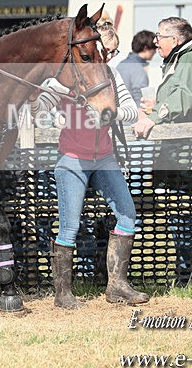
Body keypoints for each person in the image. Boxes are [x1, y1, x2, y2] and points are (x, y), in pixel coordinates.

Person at [34, 27, 149, 308]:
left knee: (127, 215)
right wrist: (48, 110)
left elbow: (132, 111)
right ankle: (63, 294)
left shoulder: (112, 75)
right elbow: (37, 110)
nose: (106, 57)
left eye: (110, 52)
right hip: (72, 158)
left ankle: (117, 287)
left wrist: (111, 113)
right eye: (104, 51)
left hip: (105, 158)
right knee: (69, 227)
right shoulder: (63, 79)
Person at [132, 17, 192, 286]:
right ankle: (186, 273)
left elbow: (184, 97)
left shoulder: (190, 61)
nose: (155, 41)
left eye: (160, 36)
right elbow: (181, 97)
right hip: (177, 156)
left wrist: (154, 116)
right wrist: (157, 102)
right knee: (179, 216)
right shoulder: (180, 61)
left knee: (190, 217)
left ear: (176, 40)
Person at [116, 30, 157, 109]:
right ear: (145, 48)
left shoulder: (120, 65)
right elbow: (140, 100)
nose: (155, 52)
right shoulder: (138, 70)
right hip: (133, 118)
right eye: (154, 48)